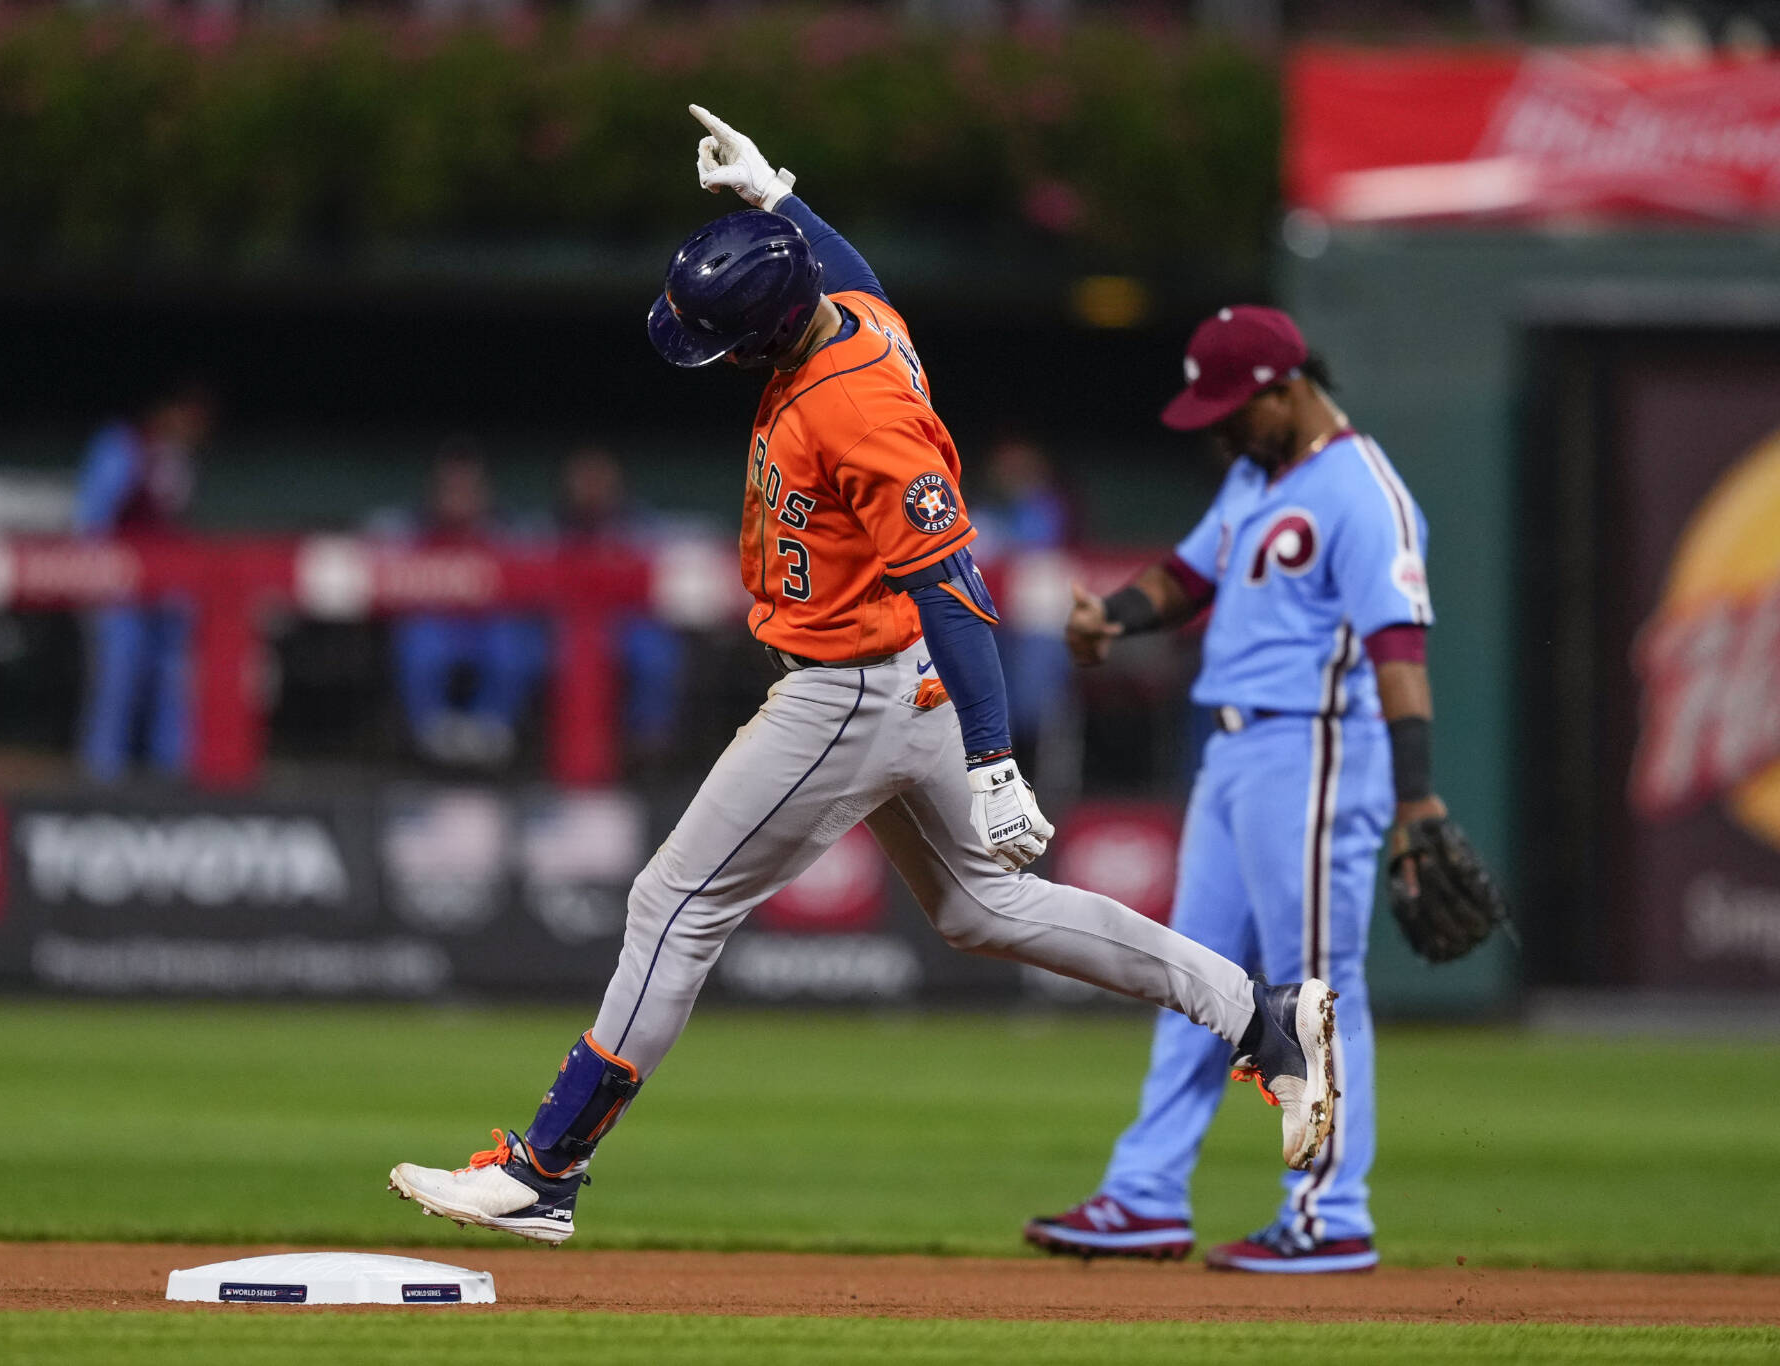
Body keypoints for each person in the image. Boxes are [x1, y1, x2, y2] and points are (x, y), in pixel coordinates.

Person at [387, 107, 1341, 1245]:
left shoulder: (858, 408)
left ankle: (546, 1165)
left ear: (758, 335)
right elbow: (856, 274)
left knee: (672, 904)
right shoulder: (846, 317)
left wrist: (995, 760)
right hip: (882, 673)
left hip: (849, 684)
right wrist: (775, 200)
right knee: (983, 906)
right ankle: (1257, 1016)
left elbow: (953, 583)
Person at [1023, 306, 1441, 1273]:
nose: (1219, 428)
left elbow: (1401, 650)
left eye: (1232, 407)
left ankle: (1331, 1209)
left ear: (1288, 388)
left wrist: (1417, 797)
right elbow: (1185, 577)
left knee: (1316, 989)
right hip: (1233, 753)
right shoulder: (1258, 475)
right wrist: (1112, 618)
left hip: (1318, 750)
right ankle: (1146, 1195)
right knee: (1194, 980)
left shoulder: (1363, 490)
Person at [74, 381, 213, 782]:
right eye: (187, 415)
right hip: (118, 588)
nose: (195, 427)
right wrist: (97, 583)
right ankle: (101, 780)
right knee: (116, 680)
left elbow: (174, 525)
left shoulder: (182, 458)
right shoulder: (121, 444)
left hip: (165, 590)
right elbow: (92, 523)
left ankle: (172, 778)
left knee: (174, 682)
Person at [388, 443, 543, 769]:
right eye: (450, 488)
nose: (459, 496)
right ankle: (431, 734)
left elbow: (537, 584)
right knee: (421, 643)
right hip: (436, 625)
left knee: (512, 644)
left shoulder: (511, 533)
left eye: (468, 487)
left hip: (488, 628)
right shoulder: (407, 529)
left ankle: (493, 731)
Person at [549, 445, 684, 759]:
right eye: (583, 478)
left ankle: (648, 748)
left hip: (630, 622)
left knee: (656, 652)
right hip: (564, 626)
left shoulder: (643, 528)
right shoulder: (546, 529)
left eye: (600, 477)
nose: (592, 487)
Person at [972, 435, 1079, 746]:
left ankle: (1033, 772)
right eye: (1005, 467)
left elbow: (1036, 545)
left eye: (1018, 467)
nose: (1009, 473)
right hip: (991, 621)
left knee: (1030, 704)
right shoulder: (984, 507)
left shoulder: (1047, 507)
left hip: (1036, 623)